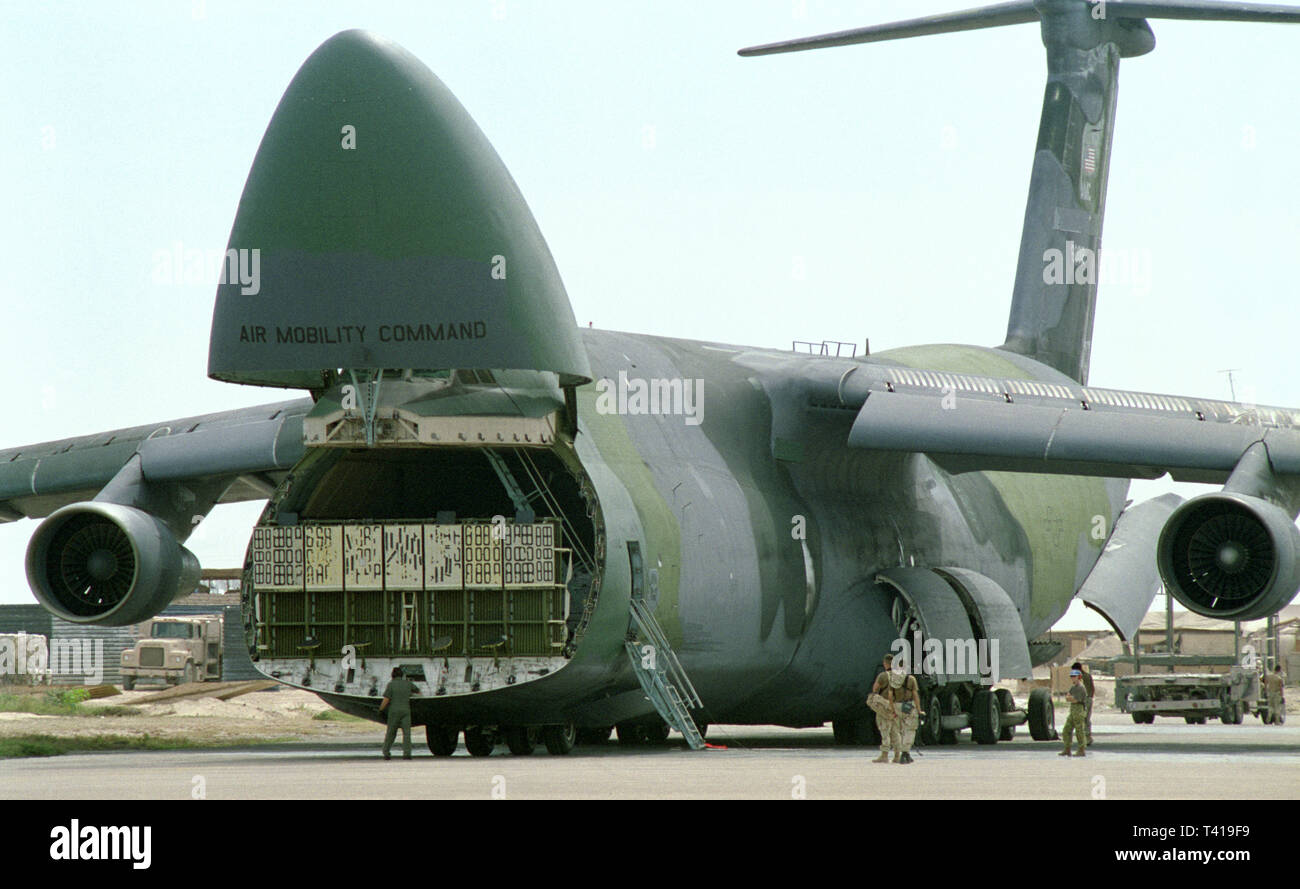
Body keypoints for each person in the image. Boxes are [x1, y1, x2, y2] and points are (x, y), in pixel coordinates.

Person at [868, 653, 924, 764]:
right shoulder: (908, 678)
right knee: (899, 732)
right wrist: (919, 709)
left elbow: (876, 689)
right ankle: (899, 754)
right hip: (905, 706)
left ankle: (884, 755)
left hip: (888, 706)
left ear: (886, 663)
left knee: (884, 730)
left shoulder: (884, 676)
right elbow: (915, 695)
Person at [379, 667, 417, 759]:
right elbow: (417, 691)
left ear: (392, 675)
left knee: (391, 733)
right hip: (406, 711)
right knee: (407, 734)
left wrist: (380, 709)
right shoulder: (408, 683)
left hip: (394, 712)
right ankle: (407, 754)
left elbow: (386, 699)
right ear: (402, 675)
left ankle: (386, 752)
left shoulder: (391, 685)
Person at [1059, 668, 1088, 757]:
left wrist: (1070, 698)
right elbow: (1067, 697)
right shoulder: (1073, 688)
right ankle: (1067, 749)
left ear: (1079, 677)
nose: (1072, 678)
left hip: (1079, 710)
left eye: (1074, 676)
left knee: (1079, 731)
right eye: (1071, 676)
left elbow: (1075, 700)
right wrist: (1070, 698)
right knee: (1066, 730)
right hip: (1073, 710)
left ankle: (1081, 749)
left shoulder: (1081, 688)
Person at [1072, 661, 1095, 745]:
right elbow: (1092, 688)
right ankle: (1088, 737)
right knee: (1087, 719)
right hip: (1089, 699)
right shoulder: (1088, 676)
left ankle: (1084, 738)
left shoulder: (1079, 678)